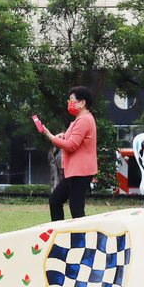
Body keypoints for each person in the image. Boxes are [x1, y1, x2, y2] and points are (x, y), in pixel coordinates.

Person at [41, 86, 98, 221]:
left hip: (81, 171)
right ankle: (60, 235)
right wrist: (63, 136)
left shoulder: (84, 120)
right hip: (75, 171)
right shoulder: (79, 120)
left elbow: (71, 146)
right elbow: (73, 138)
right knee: (55, 200)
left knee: (76, 210)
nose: (69, 103)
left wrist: (50, 136)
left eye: (72, 100)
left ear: (82, 102)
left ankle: (79, 241)